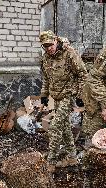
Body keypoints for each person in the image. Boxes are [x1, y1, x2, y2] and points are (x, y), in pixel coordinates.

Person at [39, 30, 87, 169]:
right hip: (55, 97)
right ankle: (72, 158)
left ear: (56, 40)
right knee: (65, 128)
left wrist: (79, 95)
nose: (49, 48)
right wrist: (44, 99)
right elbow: (46, 80)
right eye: (45, 46)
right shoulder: (46, 58)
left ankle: (51, 162)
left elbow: (83, 74)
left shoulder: (69, 53)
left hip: (68, 96)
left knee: (54, 127)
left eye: (50, 44)